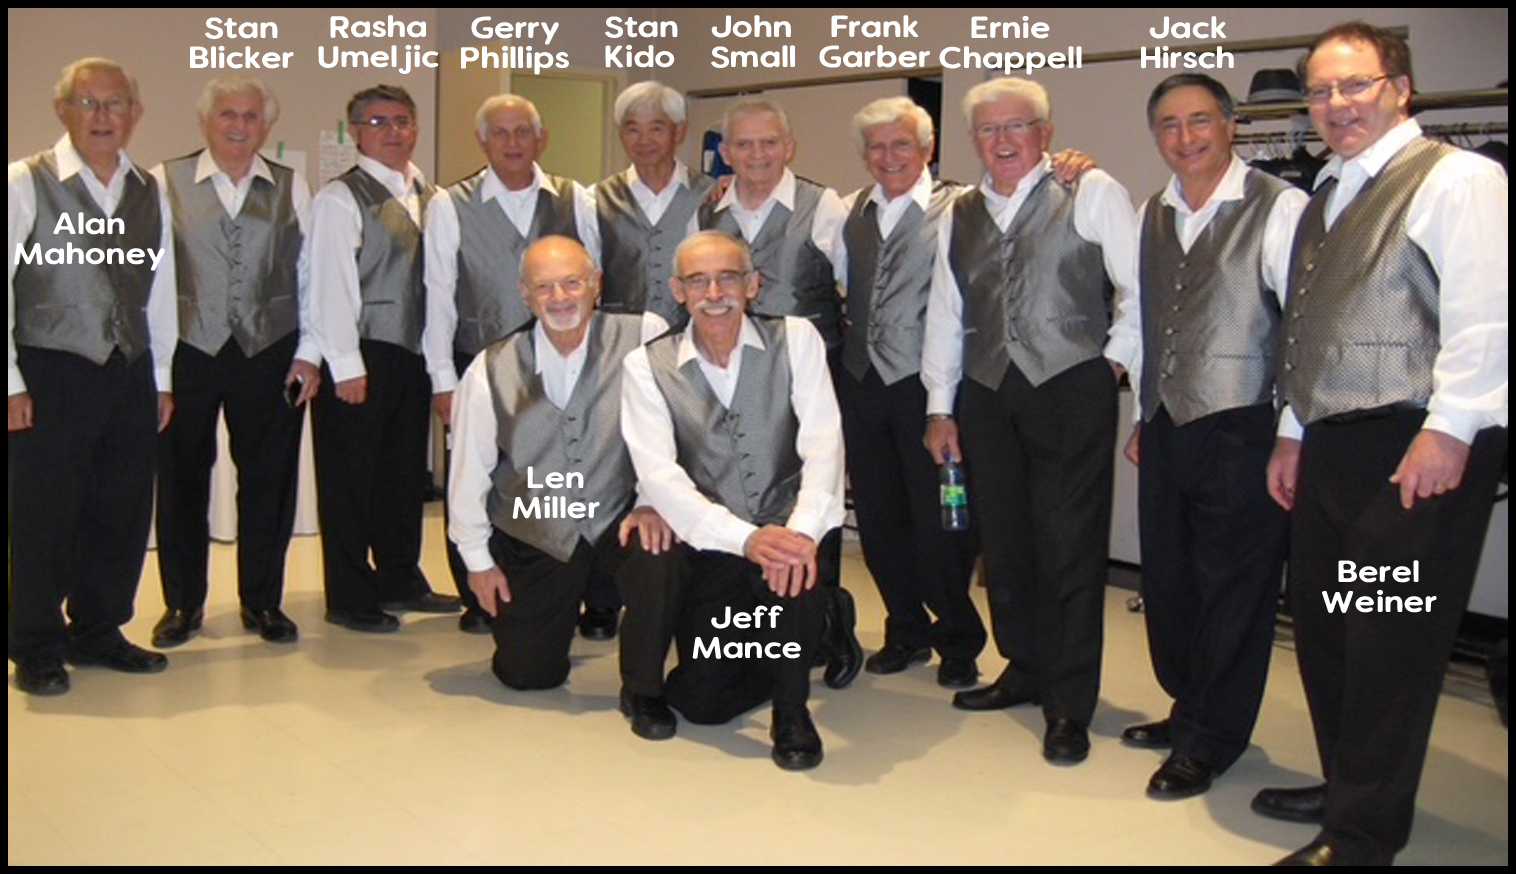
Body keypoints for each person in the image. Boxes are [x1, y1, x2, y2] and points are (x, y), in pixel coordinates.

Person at [1254, 22, 1508, 865]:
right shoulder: (1328, 191)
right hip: (1332, 442)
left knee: (1388, 641)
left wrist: (1450, 431)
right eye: (1321, 91)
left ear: (1400, 88)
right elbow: (1308, 328)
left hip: (1414, 445)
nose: (1336, 104)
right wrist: (1292, 433)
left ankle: (1363, 836)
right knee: (1330, 629)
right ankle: (1349, 786)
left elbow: (1488, 318)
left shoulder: (1458, 178)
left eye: (1354, 84)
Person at [922, 77, 1141, 765]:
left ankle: (1069, 702)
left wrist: (1112, 364)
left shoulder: (1090, 190)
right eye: (989, 129)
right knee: (1007, 540)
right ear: (972, 140)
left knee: (1069, 544)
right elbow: (947, 312)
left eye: (1017, 125)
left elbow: (1139, 287)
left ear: (1045, 132)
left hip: (1070, 385)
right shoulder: (959, 210)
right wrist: (939, 406)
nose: (1003, 140)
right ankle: (1024, 665)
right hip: (988, 391)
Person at [1117, 73, 1305, 799]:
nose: (1185, 137)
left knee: (1234, 586)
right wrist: (1144, 415)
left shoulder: (1280, 206)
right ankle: (1189, 705)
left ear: (1230, 125)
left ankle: (1213, 737)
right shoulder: (1152, 211)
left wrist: (1293, 433)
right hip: (1168, 423)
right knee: (1170, 578)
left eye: (1199, 120)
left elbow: (1301, 330)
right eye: (1169, 124)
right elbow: (1144, 318)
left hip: (1244, 422)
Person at [619, 231, 844, 770]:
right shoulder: (646, 365)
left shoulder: (797, 338)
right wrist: (745, 539)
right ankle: (816, 631)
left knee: (795, 568)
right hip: (716, 541)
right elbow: (660, 475)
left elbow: (824, 444)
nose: (714, 292)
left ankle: (792, 711)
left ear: (752, 284)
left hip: (789, 524)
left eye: (728, 278)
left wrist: (800, 534)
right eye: (698, 281)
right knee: (703, 702)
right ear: (678, 290)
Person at [8, 57, 176, 694]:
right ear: (63, 110)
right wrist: (10, 382)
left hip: (127, 369)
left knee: (121, 507)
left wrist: (161, 376)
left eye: (115, 103)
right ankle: (34, 642)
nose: (103, 116)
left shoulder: (147, 189)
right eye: (89, 103)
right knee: (45, 513)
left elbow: (161, 289)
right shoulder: (25, 182)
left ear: (135, 113)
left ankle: (99, 629)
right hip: (49, 369)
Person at [448, 235, 670, 692]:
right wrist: (478, 563)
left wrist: (652, 500)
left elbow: (672, 432)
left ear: (596, 284)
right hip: (539, 521)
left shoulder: (645, 335)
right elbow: (467, 474)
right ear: (524, 294)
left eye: (572, 282)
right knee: (528, 675)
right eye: (543, 287)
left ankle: (644, 686)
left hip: (620, 513)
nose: (559, 297)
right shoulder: (489, 368)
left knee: (663, 558)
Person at [698, 99, 861, 688]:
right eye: (743, 144)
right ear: (726, 152)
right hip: (732, 377)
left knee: (813, 493)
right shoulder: (710, 211)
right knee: (747, 492)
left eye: (768, 143)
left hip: (807, 376)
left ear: (788, 147)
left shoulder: (824, 206)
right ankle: (760, 623)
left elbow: (854, 288)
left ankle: (827, 623)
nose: (757, 155)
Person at [150, 75, 318, 647]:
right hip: (189, 350)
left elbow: (309, 275)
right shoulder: (164, 181)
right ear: (206, 121)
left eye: (250, 116)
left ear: (265, 126)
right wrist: (158, 372)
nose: (239, 126)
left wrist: (310, 353)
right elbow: (151, 278)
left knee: (269, 480)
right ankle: (182, 604)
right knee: (181, 480)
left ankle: (263, 602)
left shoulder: (292, 186)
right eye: (228, 114)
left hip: (269, 350)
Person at [424, 93, 597, 634]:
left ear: (541, 138)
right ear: (483, 141)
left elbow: (591, 281)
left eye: (523, 131)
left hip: (559, 360)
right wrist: (442, 377)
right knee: (475, 473)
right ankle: (478, 590)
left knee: (553, 471)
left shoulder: (575, 198)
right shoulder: (449, 203)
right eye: (500, 133)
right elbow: (438, 293)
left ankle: (570, 585)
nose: (513, 142)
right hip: (476, 357)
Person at [833, 97, 985, 690]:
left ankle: (958, 636)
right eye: (876, 146)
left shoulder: (964, 206)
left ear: (927, 147)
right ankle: (905, 628)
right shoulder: (851, 210)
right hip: (863, 383)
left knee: (942, 519)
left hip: (931, 388)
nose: (888, 156)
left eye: (901, 144)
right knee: (879, 517)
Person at [307, 83, 458, 633]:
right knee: (350, 482)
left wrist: (438, 368)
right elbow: (329, 286)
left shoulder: (431, 194)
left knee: (400, 475)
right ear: (355, 133)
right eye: (378, 122)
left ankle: (399, 577)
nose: (393, 132)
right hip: (360, 352)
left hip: (412, 353)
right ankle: (348, 595)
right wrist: (346, 364)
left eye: (402, 121)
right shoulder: (340, 198)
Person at [590, 80, 714, 330]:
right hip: (621, 336)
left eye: (656, 129)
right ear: (621, 134)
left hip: (694, 334)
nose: (644, 140)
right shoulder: (595, 199)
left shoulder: (711, 195)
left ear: (679, 131)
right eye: (633, 129)